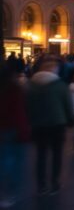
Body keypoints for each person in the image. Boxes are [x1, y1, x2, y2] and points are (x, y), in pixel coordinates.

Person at [27, 58, 74, 195]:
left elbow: (27, 105)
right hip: (57, 123)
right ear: (54, 70)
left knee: (41, 155)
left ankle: (41, 185)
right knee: (57, 154)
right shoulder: (60, 85)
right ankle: (55, 182)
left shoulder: (31, 85)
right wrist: (70, 120)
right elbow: (67, 104)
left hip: (38, 124)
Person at [0, 64, 30, 207]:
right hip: (14, 129)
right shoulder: (15, 90)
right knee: (15, 162)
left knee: (6, 159)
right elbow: (19, 112)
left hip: (4, 129)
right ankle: (12, 193)